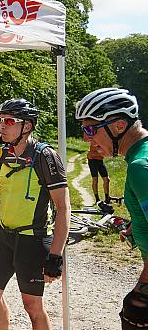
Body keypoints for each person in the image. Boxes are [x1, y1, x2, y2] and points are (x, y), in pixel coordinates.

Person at [0, 98, 70, 330]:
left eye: (9, 121)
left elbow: (63, 207)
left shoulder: (45, 156)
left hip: (34, 238)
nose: (2, 126)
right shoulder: (2, 154)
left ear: (27, 126)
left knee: (32, 305)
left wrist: (56, 255)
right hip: (5, 235)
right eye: (0, 120)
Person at [75, 88, 148, 329]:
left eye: (90, 129)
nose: (87, 139)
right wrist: (136, 227)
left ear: (118, 126)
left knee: (133, 311)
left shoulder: (140, 166)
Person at [86, 137, 111, 204]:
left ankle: (107, 198)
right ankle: (97, 199)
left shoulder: (105, 141)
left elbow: (107, 152)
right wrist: (102, 153)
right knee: (95, 179)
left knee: (107, 179)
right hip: (92, 161)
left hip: (100, 161)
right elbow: (92, 154)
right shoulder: (95, 140)